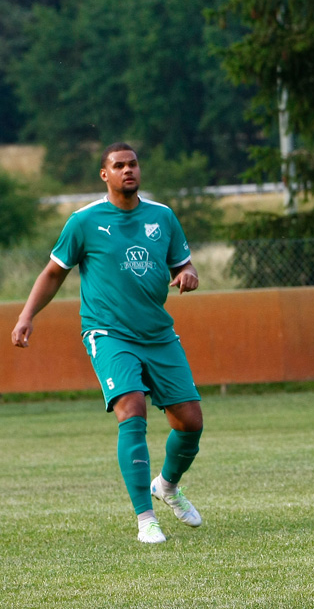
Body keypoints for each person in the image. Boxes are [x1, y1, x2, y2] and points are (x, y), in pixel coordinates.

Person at [11, 142, 205, 545]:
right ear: (105, 175)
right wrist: (27, 316)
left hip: (158, 334)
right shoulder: (84, 222)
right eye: (118, 165)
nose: (127, 170)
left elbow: (182, 262)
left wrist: (188, 273)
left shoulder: (163, 217)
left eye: (133, 164)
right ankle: (145, 519)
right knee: (131, 409)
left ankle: (166, 486)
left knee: (190, 423)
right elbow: (53, 273)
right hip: (108, 332)